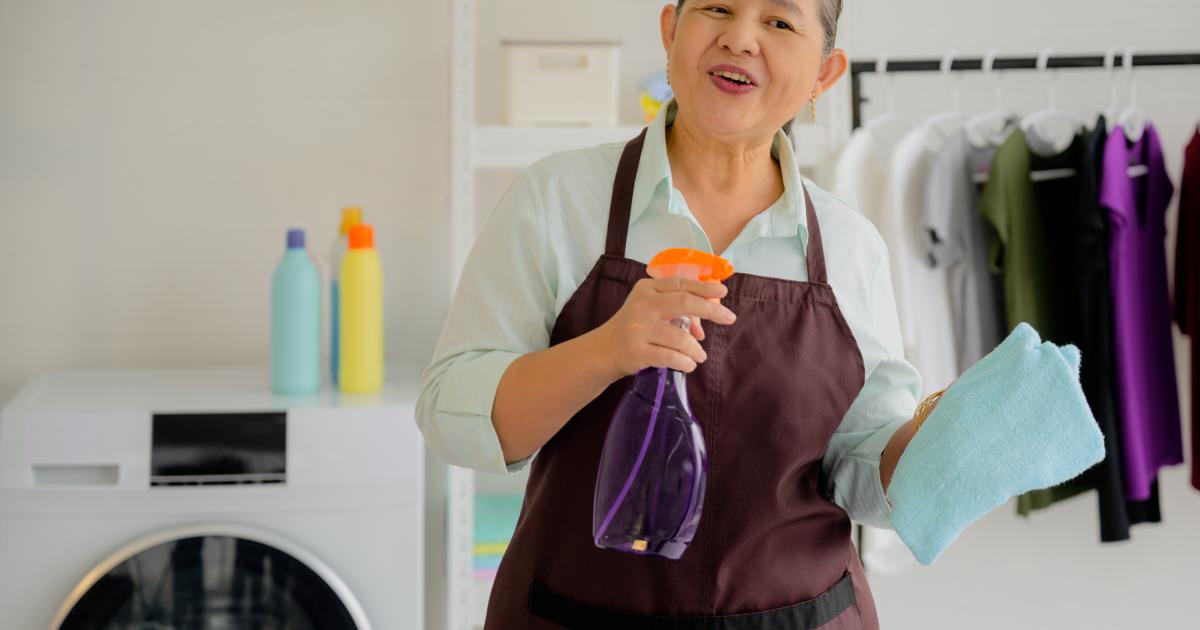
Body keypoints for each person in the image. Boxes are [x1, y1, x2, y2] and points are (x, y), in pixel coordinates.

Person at [418, 1, 936, 627]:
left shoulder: (851, 247)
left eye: (780, 22)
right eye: (718, 7)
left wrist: (940, 449)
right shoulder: (556, 201)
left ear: (825, 73)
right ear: (670, 30)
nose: (740, 38)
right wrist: (604, 352)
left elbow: (861, 466)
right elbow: (452, 417)